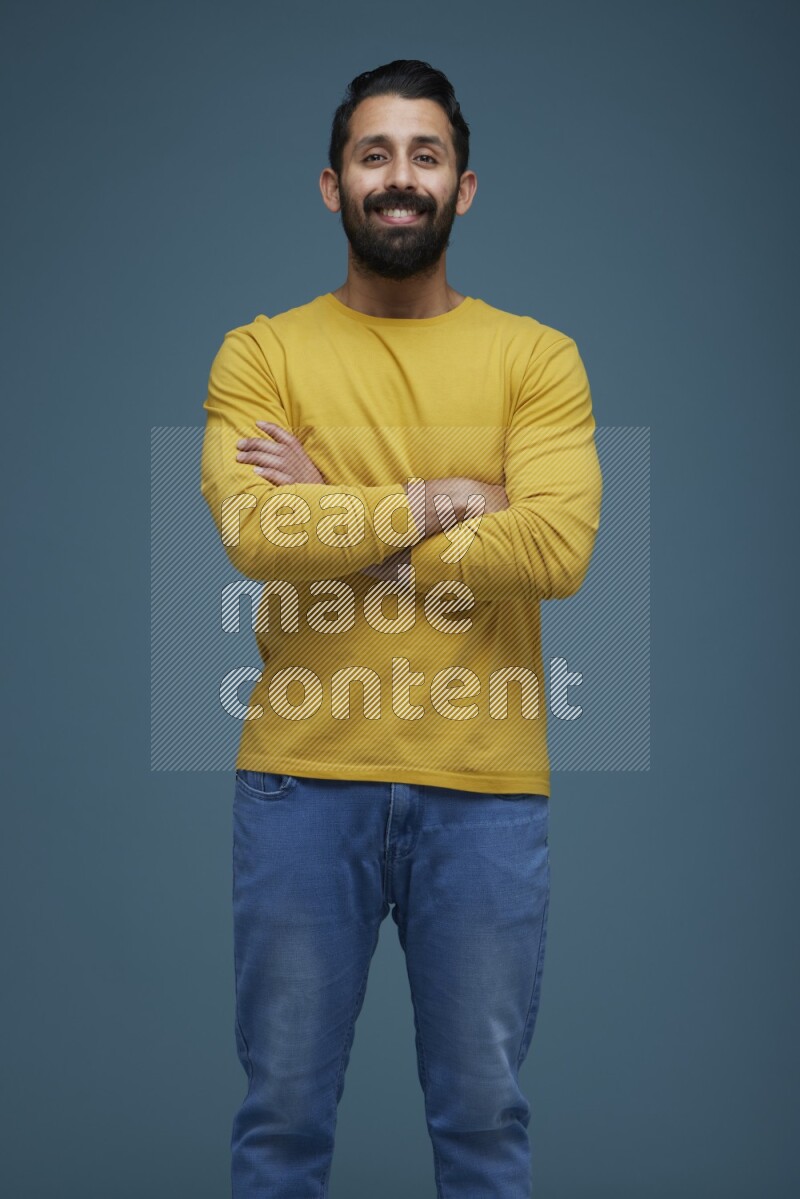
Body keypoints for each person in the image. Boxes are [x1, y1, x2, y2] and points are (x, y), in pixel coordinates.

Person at [200, 58, 603, 1199]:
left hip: (481, 786)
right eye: (373, 154)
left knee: (482, 1121)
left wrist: (348, 517)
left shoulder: (535, 358)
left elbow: (555, 552)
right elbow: (252, 532)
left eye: (424, 155)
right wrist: (448, 499)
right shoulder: (260, 352)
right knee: (279, 1118)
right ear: (331, 185)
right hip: (298, 781)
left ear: (462, 187)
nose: (399, 177)